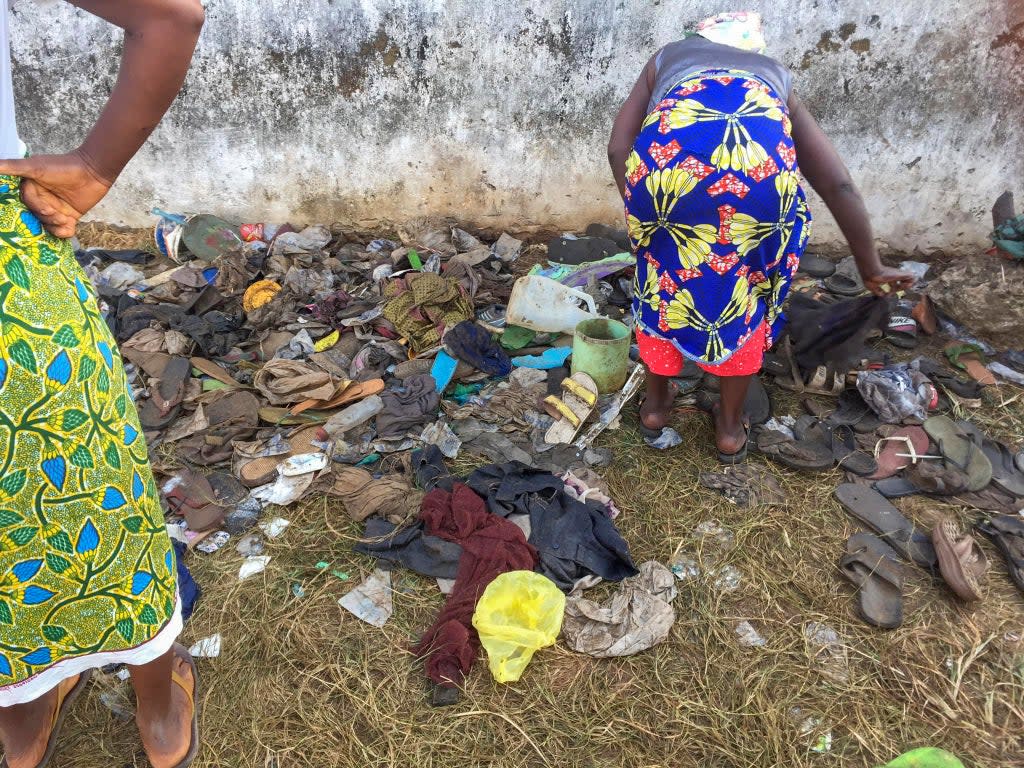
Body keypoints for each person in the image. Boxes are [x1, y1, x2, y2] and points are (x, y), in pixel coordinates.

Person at [0, 2, 204, 767]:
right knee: (92, 491)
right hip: (10, 288)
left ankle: (18, 722)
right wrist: (92, 166)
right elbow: (170, 18)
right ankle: (156, 712)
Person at [607, 11, 913, 462]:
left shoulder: (668, 57)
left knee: (662, 281)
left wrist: (645, 216)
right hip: (762, 185)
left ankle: (656, 409)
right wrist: (871, 266)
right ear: (752, 49)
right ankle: (730, 429)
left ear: (701, 37)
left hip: (668, 179)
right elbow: (837, 183)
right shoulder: (774, 75)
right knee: (746, 289)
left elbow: (619, 147)